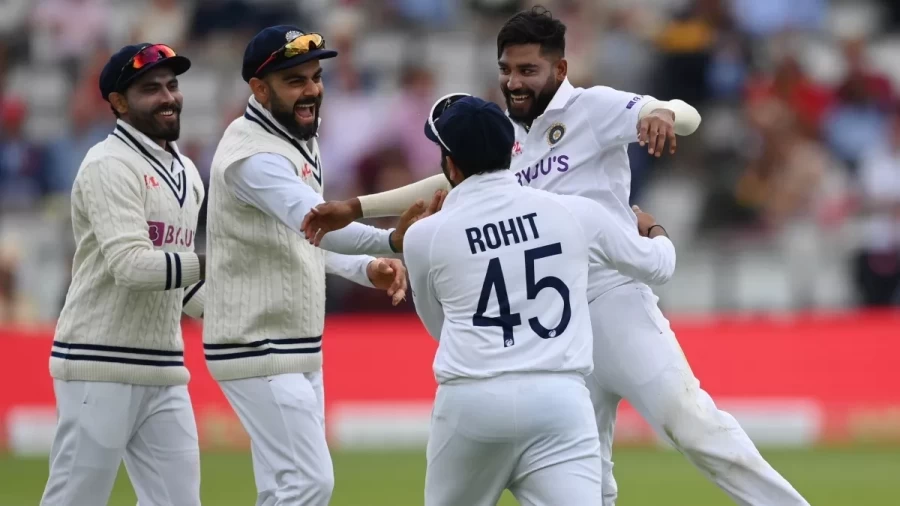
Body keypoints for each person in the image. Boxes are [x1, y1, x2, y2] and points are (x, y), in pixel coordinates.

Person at [301, 7, 810, 506]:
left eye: (528, 69)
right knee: (593, 480)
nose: (514, 82)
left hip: (613, 298)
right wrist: (358, 207)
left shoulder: (593, 107)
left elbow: (689, 116)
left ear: (560, 68)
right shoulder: (506, 131)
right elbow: (449, 178)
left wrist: (662, 113)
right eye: (506, 69)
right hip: (554, 322)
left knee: (692, 424)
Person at [405, 93, 675, 506]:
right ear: (510, 151)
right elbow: (660, 266)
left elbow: (438, 326)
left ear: (452, 166)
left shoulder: (424, 236)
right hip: (559, 399)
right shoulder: (575, 213)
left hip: (471, 402)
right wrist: (654, 230)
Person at [202, 25, 427, 505]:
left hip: (294, 344)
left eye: (315, 78)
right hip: (257, 344)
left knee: (282, 488)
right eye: (295, 81)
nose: (311, 91)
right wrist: (390, 240)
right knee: (310, 483)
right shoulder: (254, 157)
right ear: (259, 89)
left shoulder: (296, 138)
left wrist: (365, 267)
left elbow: (305, 238)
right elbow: (320, 221)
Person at [41, 43, 207, 506]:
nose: (168, 97)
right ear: (118, 102)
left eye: (172, 85)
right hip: (99, 363)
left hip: (165, 368)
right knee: (76, 499)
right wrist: (220, 262)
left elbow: (179, 279)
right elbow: (133, 266)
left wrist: (235, 307)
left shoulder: (188, 172)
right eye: (150, 89)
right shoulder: (108, 164)